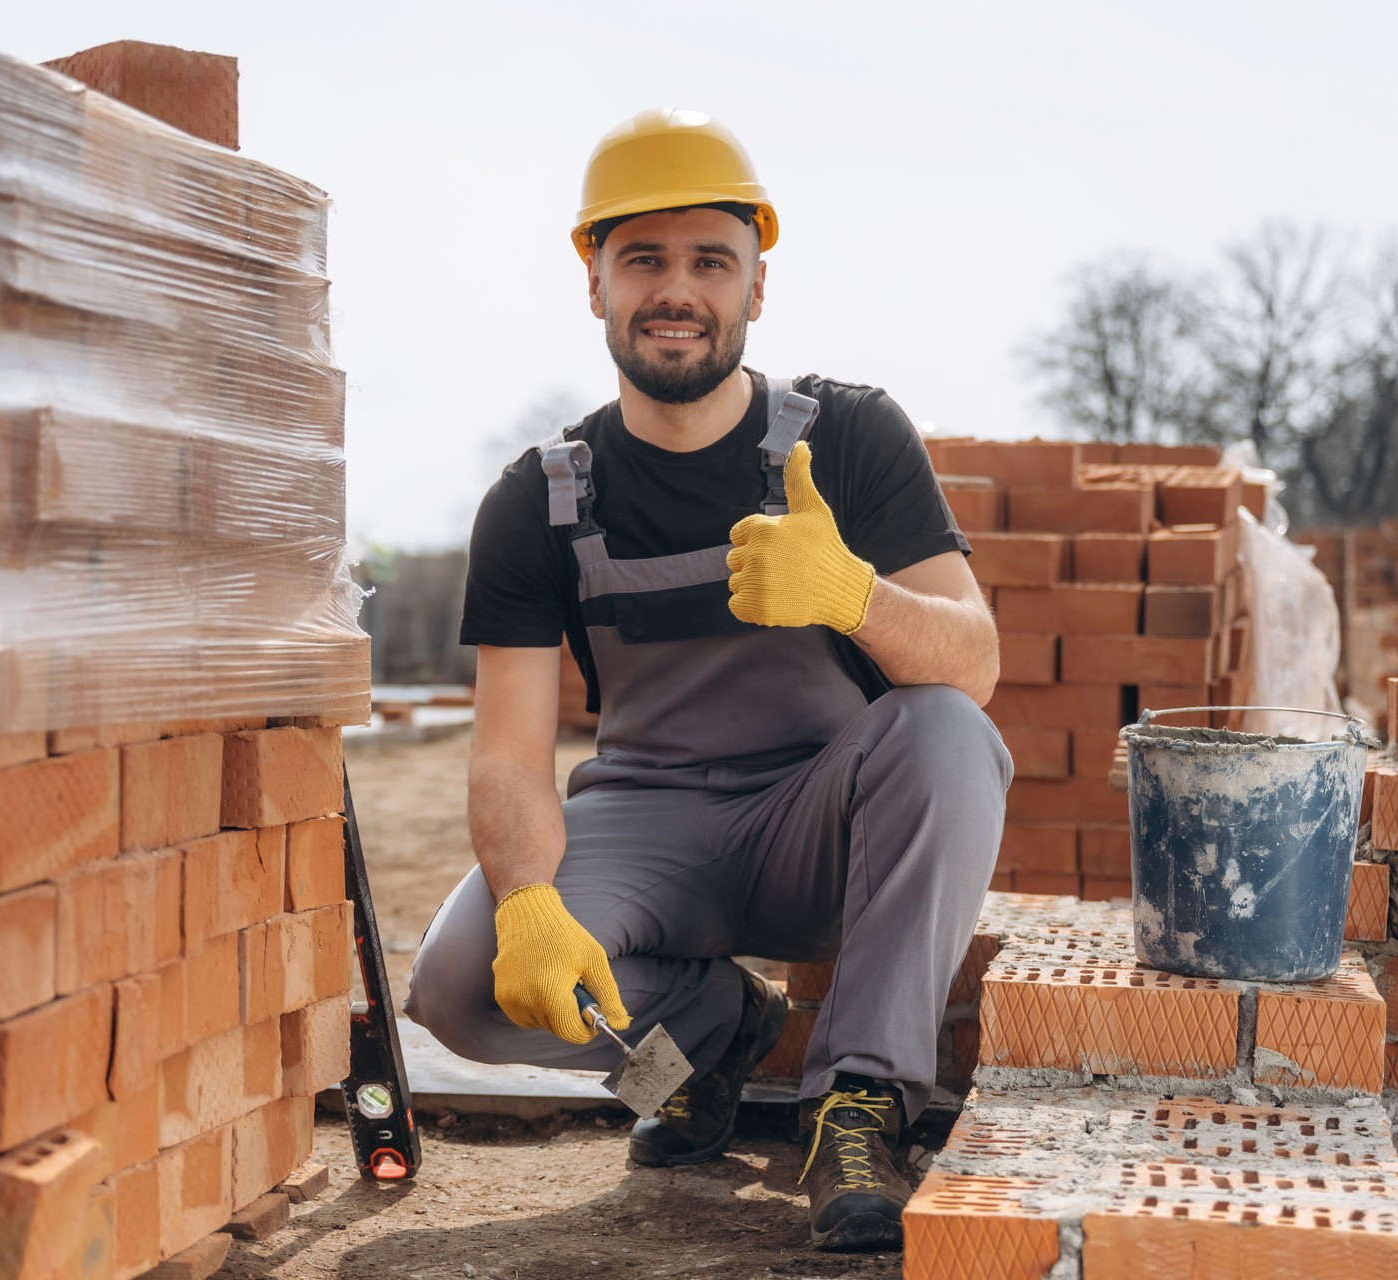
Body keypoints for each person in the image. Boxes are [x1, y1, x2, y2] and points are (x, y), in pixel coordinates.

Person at [405, 107, 1010, 1251]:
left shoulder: (854, 438)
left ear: (756, 287)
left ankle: (862, 1102)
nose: (675, 289)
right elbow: (508, 752)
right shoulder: (537, 500)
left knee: (945, 733)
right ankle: (715, 1034)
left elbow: (976, 665)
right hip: (648, 824)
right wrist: (531, 900)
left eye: (709, 261)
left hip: (823, 823)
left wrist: (852, 594)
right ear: (593, 282)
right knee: (454, 986)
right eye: (642, 259)